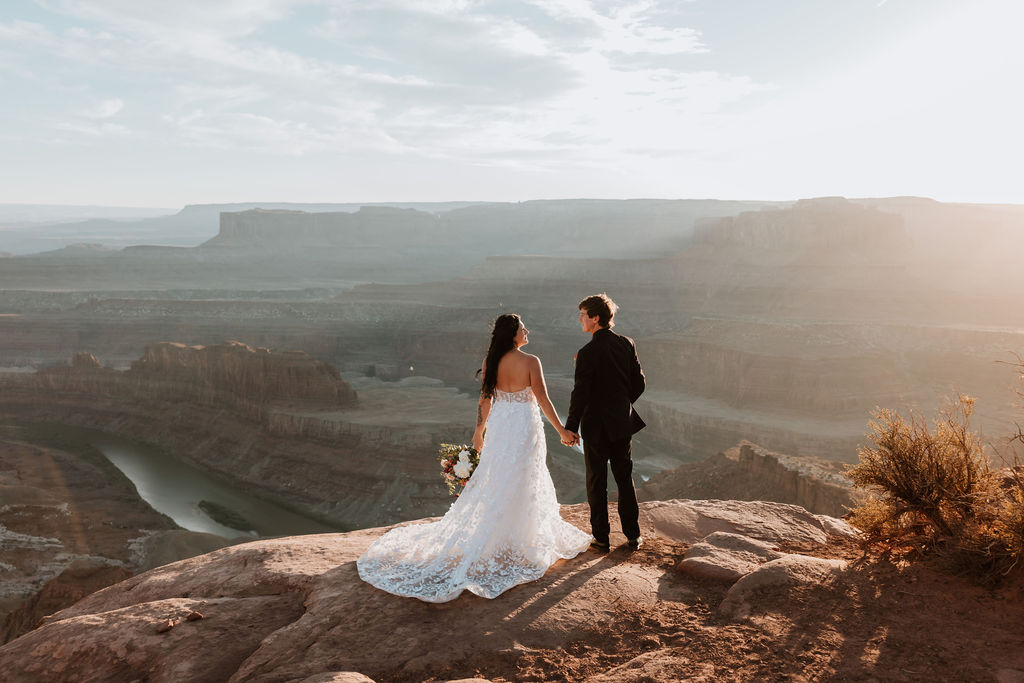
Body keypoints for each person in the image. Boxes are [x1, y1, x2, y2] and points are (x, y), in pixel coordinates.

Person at [357, 313, 591, 602]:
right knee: (525, 476)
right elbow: (542, 399)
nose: (527, 331)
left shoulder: (490, 361)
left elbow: (485, 399)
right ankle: (519, 538)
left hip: (501, 427)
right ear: (512, 334)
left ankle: (500, 535)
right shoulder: (531, 361)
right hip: (524, 427)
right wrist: (562, 431)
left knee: (499, 476)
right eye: (522, 328)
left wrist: (478, 432)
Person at [563, 293, 646, 552]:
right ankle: (633, 536)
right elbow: (640, 383)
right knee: (624, 479)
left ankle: (601, 538)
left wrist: (571, 427)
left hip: (596, 426)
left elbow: (581, 393)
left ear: (595, 318)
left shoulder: (586, 353)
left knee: (597, 481)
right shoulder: (626, 343)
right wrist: (621, 404)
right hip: (621, 422)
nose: (580, 319)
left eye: (583, 315)